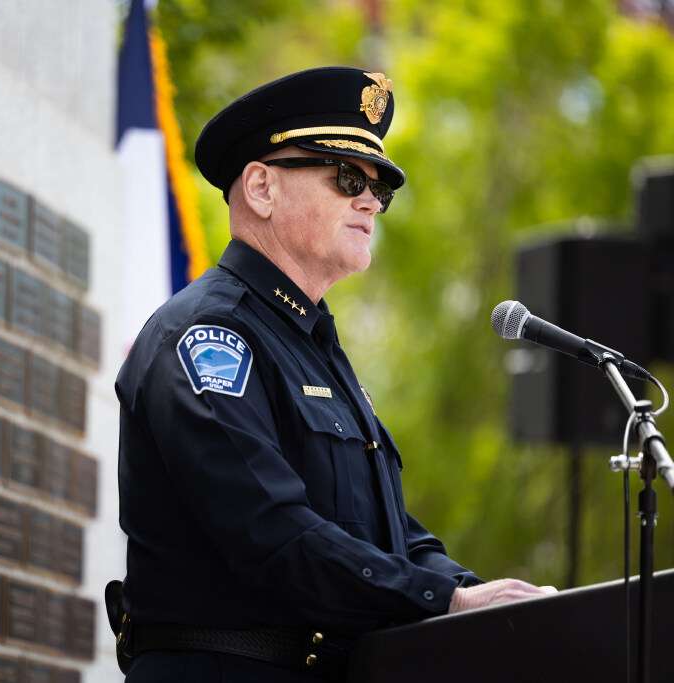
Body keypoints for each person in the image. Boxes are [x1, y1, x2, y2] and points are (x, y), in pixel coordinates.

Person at [110, 67, 556, 682]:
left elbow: (392, 535)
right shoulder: (207, 336)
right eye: (347, 177)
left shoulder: (312, 345)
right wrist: (444, 602)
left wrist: (489, 601)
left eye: (380, 189)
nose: (370, 201)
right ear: (262, 188)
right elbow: (270, 532)